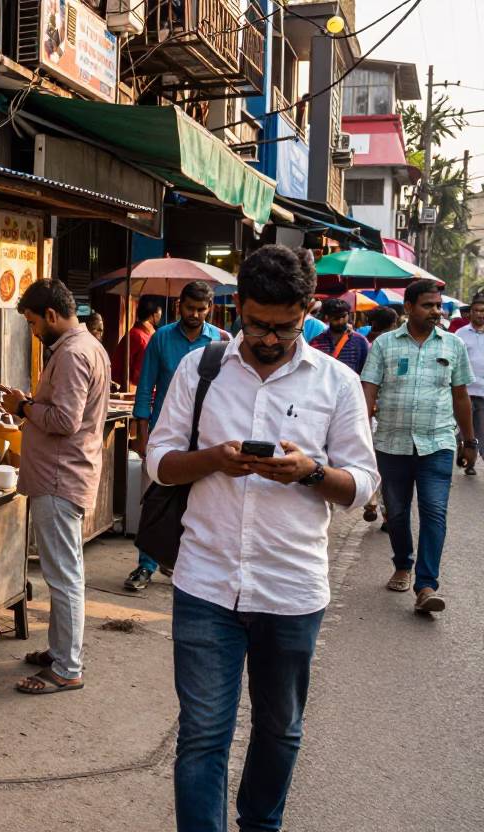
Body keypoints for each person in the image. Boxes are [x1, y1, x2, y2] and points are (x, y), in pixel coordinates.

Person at [147, 245, 378, 831]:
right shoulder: (200, 369)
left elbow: (362, 487)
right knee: (202, 736)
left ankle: (260, 826)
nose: (269, 339)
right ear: (236, 309)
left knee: (280, 731)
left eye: (284, 327)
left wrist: (311, 473)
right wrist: (213, 460)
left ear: (306, 312)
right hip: (205, 583)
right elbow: (158, 462)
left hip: (292, 589)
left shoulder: (339, 383)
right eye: (256, 324)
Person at [0, 279, 110, 694]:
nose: (33, 331)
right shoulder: (84, 347)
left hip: (60, 477)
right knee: (64, 572)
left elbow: (65, 421)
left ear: (50, 315)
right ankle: (60, 650)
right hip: (64, 474)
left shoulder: (74, 353)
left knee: (63, 576)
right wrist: (29, 402)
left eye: (32, 323)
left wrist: (23, 407)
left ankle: (67, 667)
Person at [361, 279, 477, 614]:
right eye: (428, 305)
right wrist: (360, 438)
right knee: (396, 513)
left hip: (437, 443)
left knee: (434, 512)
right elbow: (368, 391)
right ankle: (402, 562)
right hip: (391, 443)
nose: (436, 311)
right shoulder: (384, 345)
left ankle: (426, 585)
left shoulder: (452, 345)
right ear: (408, 308)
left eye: (438, 305)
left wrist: (469, 442)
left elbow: (460, 396)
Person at [127, 280, 223, 591]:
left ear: (210, 309)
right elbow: (144, 390)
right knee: (155, 501)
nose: (195, 314)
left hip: (207, 436)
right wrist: (141, 437)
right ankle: (146, 565)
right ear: (178, 305)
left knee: (201, 502)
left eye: (201, 309)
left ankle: (184, 564)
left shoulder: (221, 343)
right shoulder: (160, 339)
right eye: (190, 307)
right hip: (164, 434)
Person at [360, 306, 400, 524]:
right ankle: (385, 512)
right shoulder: (400, 343)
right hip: (388, 414)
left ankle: (374, 503)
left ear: (374, 323)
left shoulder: (373, 344)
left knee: (375, 459)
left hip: (375, 412)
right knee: (386, 464)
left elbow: (368, 385)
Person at [455, 294, 484, 475]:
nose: (479, 314)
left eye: (482, 311)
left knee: (482, 428)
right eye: (476, 311)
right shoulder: (460, 335)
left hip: (483, 392)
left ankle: (474, 457)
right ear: (470, 313)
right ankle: (467, 460)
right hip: (463, 391)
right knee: (464, 429)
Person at [111, 295, 163, 389]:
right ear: (156, 314)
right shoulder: (142, 338)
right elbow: (140, 375)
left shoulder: (137, 334)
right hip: (135, 390)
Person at [308, 297, 370, 374]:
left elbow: (367, 371)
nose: (340, 322)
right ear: (328, 317)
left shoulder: (360, 341)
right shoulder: (316, 343)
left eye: (343, 317)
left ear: (348, 315)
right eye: (336, 318)